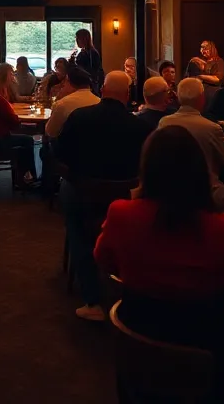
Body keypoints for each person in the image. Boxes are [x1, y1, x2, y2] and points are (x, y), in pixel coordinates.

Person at [95, 125, 224, 398]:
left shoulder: (122, 214)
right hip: (211, 350)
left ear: (146, 167)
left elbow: (103, 260)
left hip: (139, 342)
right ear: (200, 171)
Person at [58, 71, 152, 321]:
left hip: (84, 194)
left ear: (102, 91)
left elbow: (60, 156)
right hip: (125, 201)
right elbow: (146, 167)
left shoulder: (79, 118)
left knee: (76, 226)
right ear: (128, 95)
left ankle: (92, 300)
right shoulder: (140, 126)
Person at [158, 77, 224, 210]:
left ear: (179, 98)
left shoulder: (164, 122)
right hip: (205, 191)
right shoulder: (212, 128)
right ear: (202, 99)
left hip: (170, 188)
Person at [0, 70, 38, 184]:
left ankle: (25, 175)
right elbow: (13, 122)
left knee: (23, 139)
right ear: (0, 85)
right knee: (27, 139)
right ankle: (27, 177)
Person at [44, 66, 100, 140]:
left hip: (68, 148)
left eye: (65, 82)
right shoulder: (99, 101)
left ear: (69, 81)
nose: (63, 85)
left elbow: (50, 132)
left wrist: (60, 98)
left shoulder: (62, 104)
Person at [72, 28, 104, 94]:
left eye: (78, 38)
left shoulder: (91, 53)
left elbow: (93, 71)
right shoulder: (84, 52)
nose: (77, 41)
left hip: (89, 84)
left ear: (84, 39)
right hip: (84, 83)